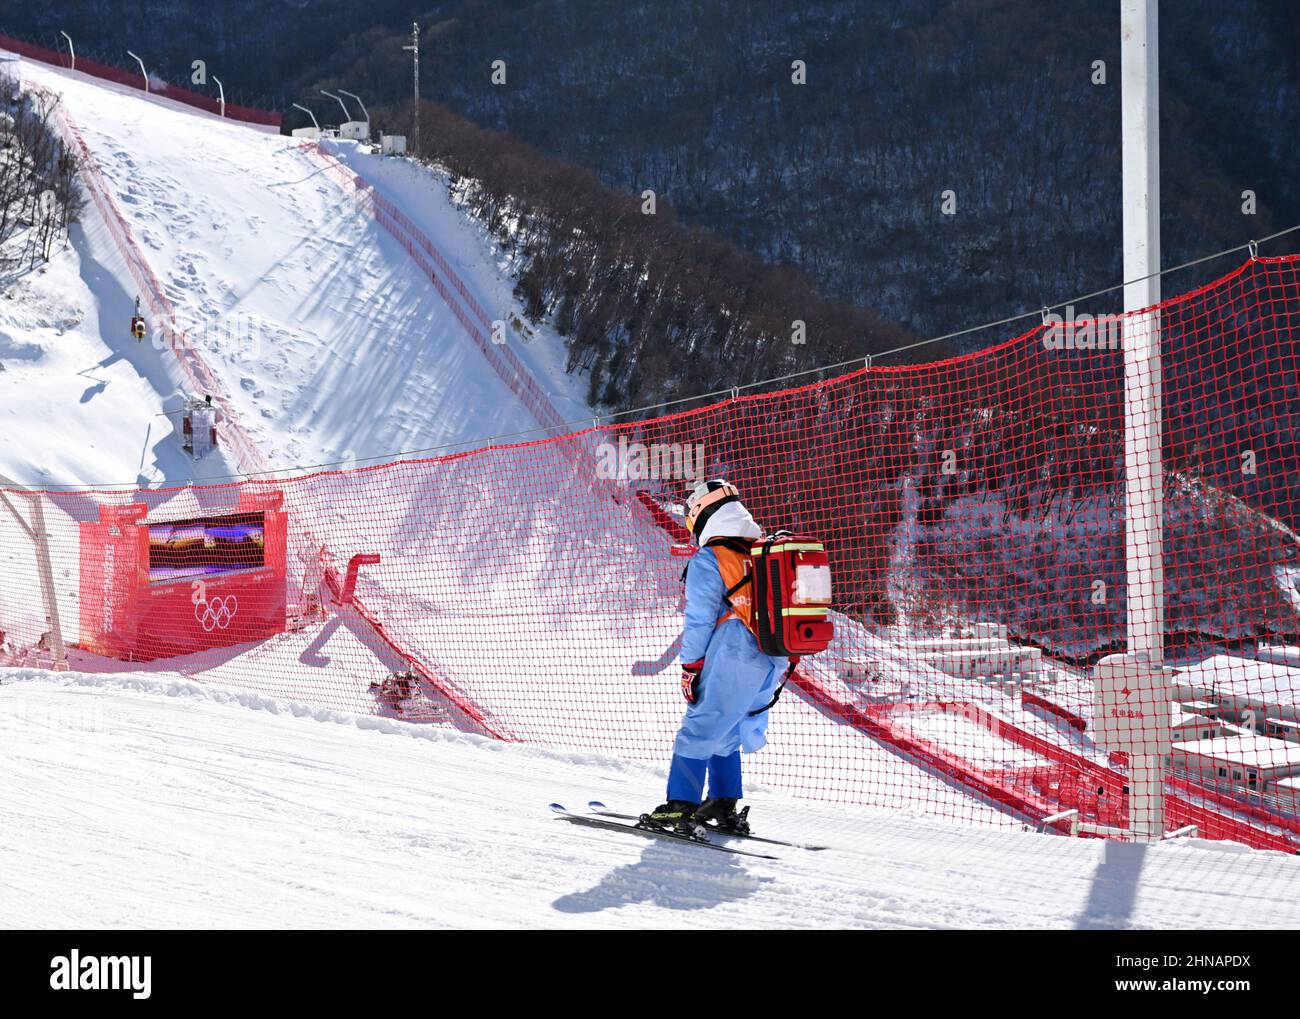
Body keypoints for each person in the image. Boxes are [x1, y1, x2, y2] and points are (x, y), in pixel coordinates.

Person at [645, 479, 790, 834]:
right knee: (726, 730)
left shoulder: (711, 557)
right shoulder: (758, 553)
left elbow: (698, 620)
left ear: (702, 515)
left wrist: (691, 666)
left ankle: (679, 807)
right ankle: (722, 804)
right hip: (771, 656)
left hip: (733, 652)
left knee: (699, 728)